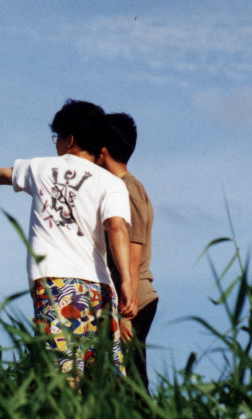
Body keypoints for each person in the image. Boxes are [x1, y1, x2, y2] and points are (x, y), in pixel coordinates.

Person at [0, 100, 138, 383]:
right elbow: (116, 227)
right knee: (102, 380)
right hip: (100, 289)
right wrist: (127, 283)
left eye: (56, 138)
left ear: (69, 139)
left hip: (55, 284)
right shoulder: (112, 183)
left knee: (61, 376)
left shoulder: (41, 168)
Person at [97, 113, 158, 391]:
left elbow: (133, 252)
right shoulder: (131, 186)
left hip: (133, 301)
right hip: (133, 299)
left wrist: (125, 314)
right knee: (129, 382)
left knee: (132, 385)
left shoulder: (125, 189)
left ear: (103, 149)